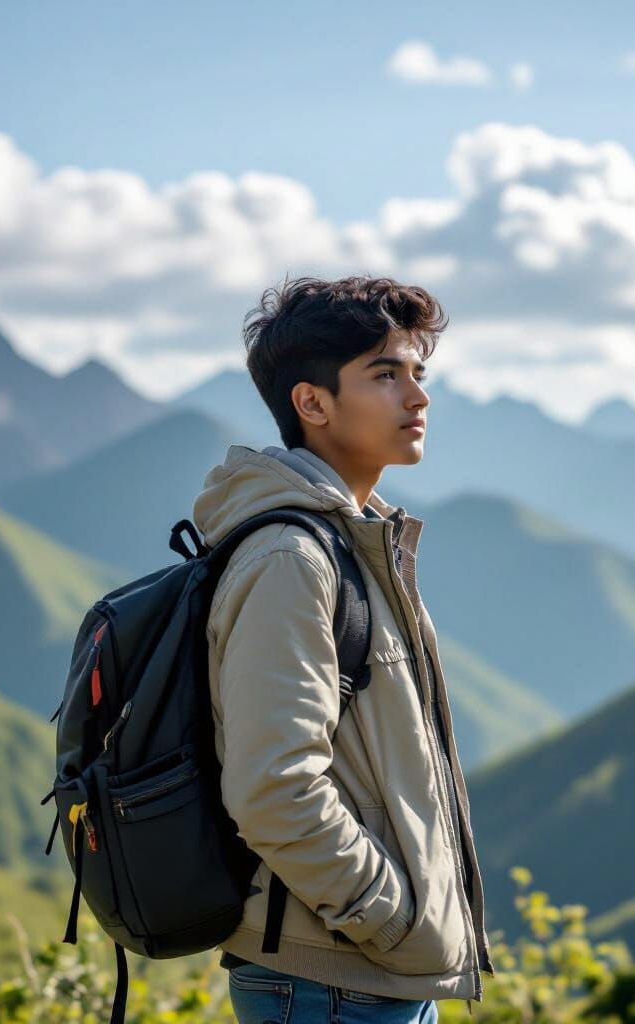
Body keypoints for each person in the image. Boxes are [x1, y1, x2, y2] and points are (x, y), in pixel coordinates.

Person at [191, 275, 495, 1023]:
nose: (418, 397)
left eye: (418, 373)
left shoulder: (353, 542)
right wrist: (392, 921)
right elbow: (273, 788)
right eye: (385, 374)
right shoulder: (293, 560)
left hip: (369, 978)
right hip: (332, 984)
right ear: (313, 402)